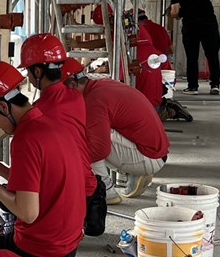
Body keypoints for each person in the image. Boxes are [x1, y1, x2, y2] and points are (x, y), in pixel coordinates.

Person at [0, 60, 86, 257]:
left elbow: (28, 213)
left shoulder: (25, 138)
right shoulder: (49, 122)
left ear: (3, 107)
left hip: (41, 251)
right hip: (69, 242)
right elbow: (42, 182)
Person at [18, 33, 106, 237]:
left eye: (28, 72)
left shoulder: (39, 113)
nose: (28, 78)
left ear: (38, 71)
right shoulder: (75, 98)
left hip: (72, 193)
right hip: (87, 183)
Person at [63, 59, 169, 203]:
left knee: (84, 142)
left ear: (72, 85)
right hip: (154, 153)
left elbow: (99, 149)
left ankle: (106, 192)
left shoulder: (94, 101)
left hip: (149, 157)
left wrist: (70, 164)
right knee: (93, 134)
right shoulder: (101, 85)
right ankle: (134, 173)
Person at [168, 0, 220, 95]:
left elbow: (174, 12)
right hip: (209, 22)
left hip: (191, 25)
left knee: (192, 56)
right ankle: (215, 85)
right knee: (212, 55)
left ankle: (193, 87)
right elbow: (205, 0)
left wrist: (177, 14)